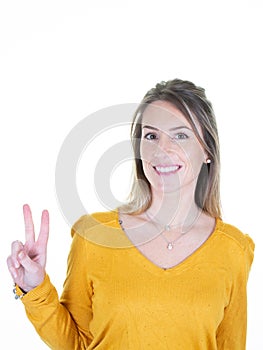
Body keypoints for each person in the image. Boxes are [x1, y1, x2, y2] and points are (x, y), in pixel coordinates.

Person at [7, 79, 254, 349]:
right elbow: (75, 344)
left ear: (207, 150)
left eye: (180, 135)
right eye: (151, 136)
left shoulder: (234, 250)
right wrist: (35, 288)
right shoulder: (94, 235)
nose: (163, 149)